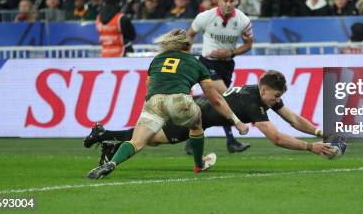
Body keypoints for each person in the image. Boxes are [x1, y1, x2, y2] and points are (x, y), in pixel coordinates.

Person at [86, 29, 249, 179]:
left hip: (154, 101)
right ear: (186, 45)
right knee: (197, 124)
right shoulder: (196, 62)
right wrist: (236, 121)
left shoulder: (157, 60)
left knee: (137, 141)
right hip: (179, 101)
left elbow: (149, 84)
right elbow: (216, 99)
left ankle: (112, 163)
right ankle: (199, 165)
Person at [84, 70, 336, 165]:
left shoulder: (258, 92)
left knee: (151, 138)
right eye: (275, 96)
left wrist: (318, 132)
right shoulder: (253, 103)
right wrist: (311, 148)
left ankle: (107, 139)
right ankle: (104, 135)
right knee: (152, 138)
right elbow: (277, 138)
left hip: (196, 108)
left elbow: (292, 118)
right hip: (191, 115)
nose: (276, 100)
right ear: (264, 90)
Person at [188, 0, 254, 153]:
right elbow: (189, 35)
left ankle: (192, 138)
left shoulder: (243, 20)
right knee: (226, 99)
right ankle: (231, 140)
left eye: (232, 1)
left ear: (236, 2)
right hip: (206, 64)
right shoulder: (205, 17)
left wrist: (230, 52)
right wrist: (186, 57)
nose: (228, 4)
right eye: (225, 1)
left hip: (227, 65)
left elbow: (248, 45)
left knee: (214, 104)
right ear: (218, 1)